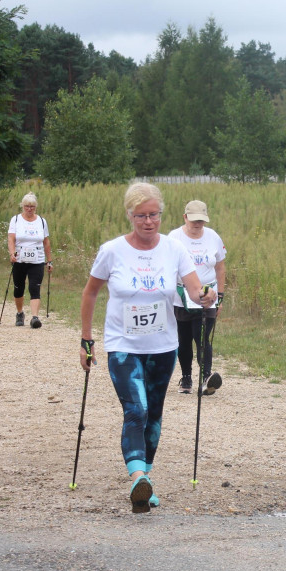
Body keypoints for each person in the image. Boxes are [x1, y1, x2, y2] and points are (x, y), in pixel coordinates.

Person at [80, 182, 215, 514]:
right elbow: (90, 293)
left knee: (154, 414)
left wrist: (206, 296)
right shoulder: (112, 250)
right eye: (141, 215)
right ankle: (137, 475)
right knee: (136, 410)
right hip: (122, 345)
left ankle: (145, 483)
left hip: (162, 345)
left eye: (153, 214)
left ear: (161, 214)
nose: (148, 222)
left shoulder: (174, 249)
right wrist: (86, 340)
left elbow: (195, 289)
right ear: (130, 215)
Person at [168, 199, 226, 396]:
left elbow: (220, 266)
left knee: (202, 338)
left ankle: (207, 378)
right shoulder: (174, 237)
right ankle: (186, 377)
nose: (197, 224)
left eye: (201, 220)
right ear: (185, 217)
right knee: (183, 341)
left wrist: (220, 295)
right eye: (193, 220)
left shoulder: (213, 238)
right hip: (181, 296)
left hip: (208, 296)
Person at [7, 192, 52, 328]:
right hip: (20, 259)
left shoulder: (42, 221)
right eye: (27, 206)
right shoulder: (15, 220)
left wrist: (49, 261)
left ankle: (35, 317)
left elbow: (46, 242)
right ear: (22, 206)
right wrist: (11, 253)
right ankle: (20, 313)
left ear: (35, 207)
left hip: (37, 260)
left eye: (32, 206)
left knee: (34, 287)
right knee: (18, 288)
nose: (29, 209)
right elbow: (11, 238)